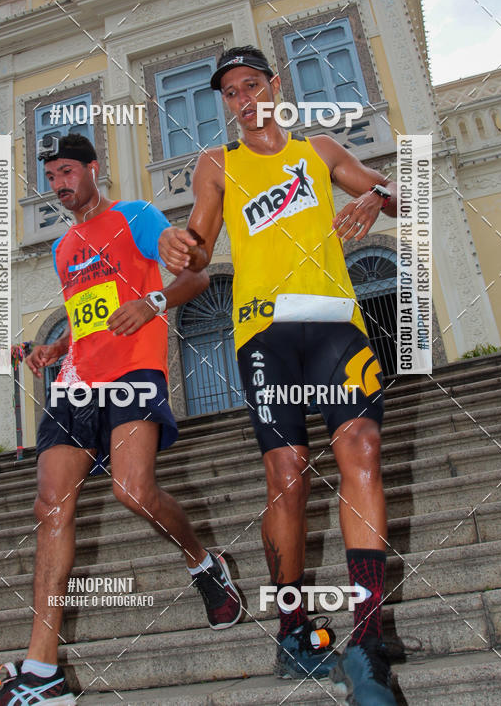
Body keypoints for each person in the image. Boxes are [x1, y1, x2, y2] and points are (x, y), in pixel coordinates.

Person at [158, 47, 399, 705]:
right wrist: (177, 247)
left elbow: (397, 190)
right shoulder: (219, 165)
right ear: (227, 104)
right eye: (230, 93)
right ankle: (294, 625)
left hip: (334, 322)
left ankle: (370, 639)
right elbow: (199, 247)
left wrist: (375, 196)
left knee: (364, 451)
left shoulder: (319, 150)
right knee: (287, 476)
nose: (242, 99)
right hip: (263, 330)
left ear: (274, 86)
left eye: (250, 85)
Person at [0, 132, 242, 706]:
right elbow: (86, 317)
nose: (60, 184)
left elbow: (197, 276)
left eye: (68, 172)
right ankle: (42, 672)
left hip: (134, 371)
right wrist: (56, 350)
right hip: (79, 379)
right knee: (50, 504)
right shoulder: (63, 247)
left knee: (133, 490)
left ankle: (205, 563)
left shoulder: (137, 216)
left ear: (93, 169)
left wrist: (151, 303)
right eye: (51, 177)